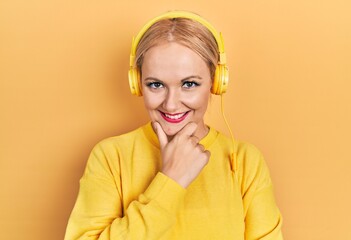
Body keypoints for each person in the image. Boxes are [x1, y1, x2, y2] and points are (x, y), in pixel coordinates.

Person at [64, 10, 283, 240]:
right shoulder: (110, 156)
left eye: (189, 84)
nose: (170, 104)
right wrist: (171, 181)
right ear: (137, 84)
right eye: (156, 84)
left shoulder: (245, 162)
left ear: (215, 82)